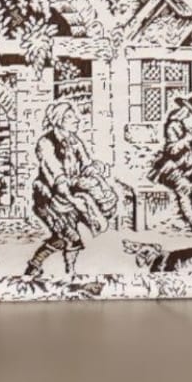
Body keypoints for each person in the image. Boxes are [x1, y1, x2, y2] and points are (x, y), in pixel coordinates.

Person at [24, 101, 115, 278]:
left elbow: (86, 164)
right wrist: (74, 200)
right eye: (70, 117)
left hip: (70, 196)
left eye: (75, 116)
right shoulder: (46, 143)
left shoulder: (74, 140)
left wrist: (96, 170)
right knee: (70, 237)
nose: (76, 120)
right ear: (58, 120)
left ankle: (39, 266)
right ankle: (65, 272)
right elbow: (57, 175)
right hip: (49, 199)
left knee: (63, 238)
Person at [148, 94, 192, 230]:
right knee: (184, 187)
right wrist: (187, 138)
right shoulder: (174, 126)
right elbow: (172, 150)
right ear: (186, 112)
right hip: (172, 166)